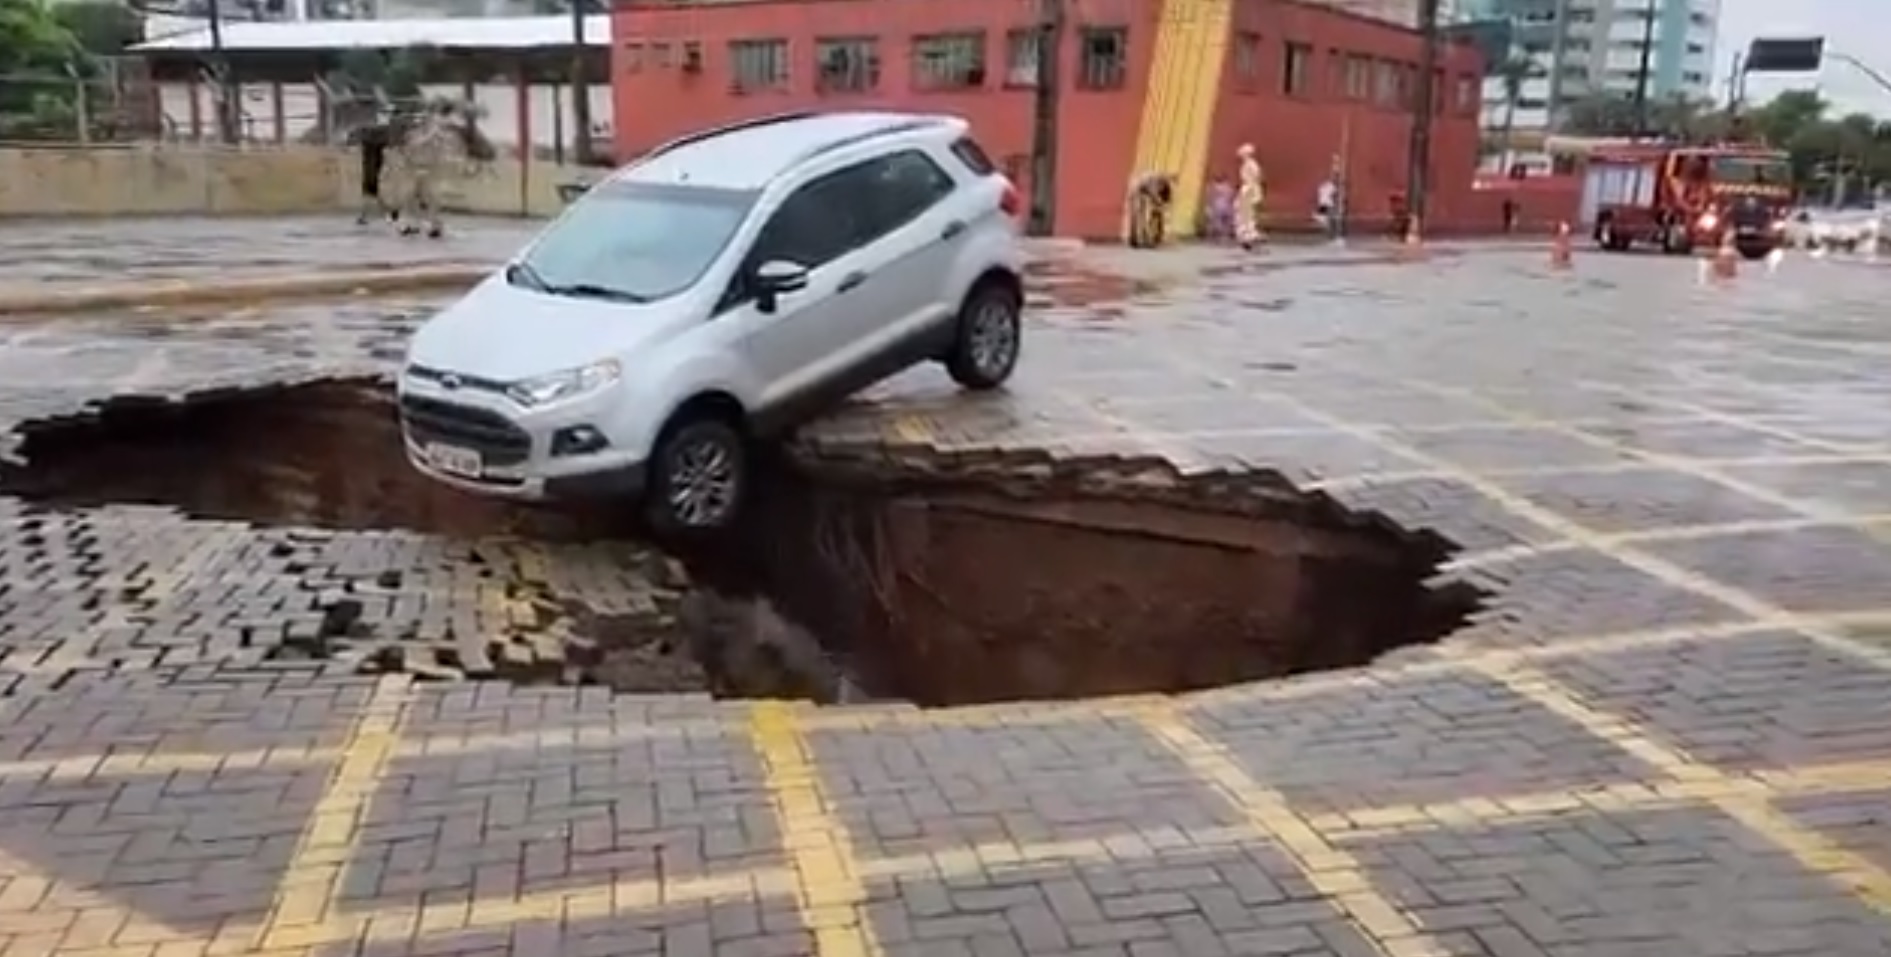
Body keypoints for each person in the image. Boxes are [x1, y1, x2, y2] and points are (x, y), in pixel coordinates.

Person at [396, 101, 461, 239]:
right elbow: (414, 144)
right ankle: (405, 224)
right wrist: (431, 135)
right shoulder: (413, 133)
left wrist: (445, 149)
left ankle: (435, 226)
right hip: (413, 169)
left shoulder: (438, 133)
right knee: (409, 198)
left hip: (430, 170)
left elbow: (443, 147)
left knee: (433, 199)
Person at [348, 118, 398, 226]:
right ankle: (385, 213)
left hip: (371, 171)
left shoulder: (370, 147)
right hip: (373, 169)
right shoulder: (376, 146)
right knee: (372, 193)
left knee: (370, 192)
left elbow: (355, 144)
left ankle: (368, 215)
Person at [1126, 171, 1174, 248]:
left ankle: (1137, 239)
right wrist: (1161, 205)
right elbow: (1154, 195)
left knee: (1139, 216)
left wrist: (1160, 204)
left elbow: (1156, 196)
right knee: (1139, 216)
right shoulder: (1157, 182)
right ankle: (1138, 239)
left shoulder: (1159, 180)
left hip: (1139, 189)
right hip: (1137, 190)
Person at [1234, 144, 1263, 250]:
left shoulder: (1251, 165)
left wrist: (1248, 191)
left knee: (1245, 213)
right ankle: (1247, 236)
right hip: (1249, 188)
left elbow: (1255, 178)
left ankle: (1248, 236)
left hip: (1249, 189)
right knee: (1244, 213)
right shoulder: (1249, 164)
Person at [1315, 174, 1340, 244]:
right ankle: (1332, 235)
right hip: (1328, 204)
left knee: (1328, 220)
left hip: (1323, 204)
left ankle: (1330, 234)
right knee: (1331, 220)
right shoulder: (1331, 186)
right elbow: (1335, 194)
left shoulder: (1322, 187)